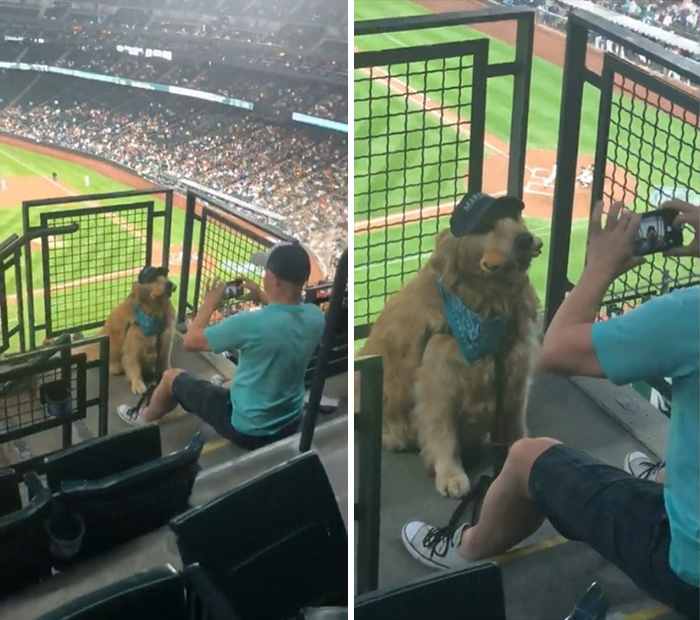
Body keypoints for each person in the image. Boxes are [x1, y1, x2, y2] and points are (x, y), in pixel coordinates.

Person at [400, 199, 699, 619]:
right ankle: (669, 476)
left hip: (689, 569)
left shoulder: (690, 315)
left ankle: (463, 547)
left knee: (526, 456)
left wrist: (599, 267)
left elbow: (557, 351)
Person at [117, 241, 326, 450]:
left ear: (275, 280)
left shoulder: (248, 324)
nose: (263, 275)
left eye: (266, 271)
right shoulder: (316, 317)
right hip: (290, 421)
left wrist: (209, 303)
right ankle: (225, 387)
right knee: (245, 374)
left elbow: (191, 341)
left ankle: (143, 416)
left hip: (248, 430)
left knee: (171, 378)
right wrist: (262, 296)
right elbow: (285, 320)